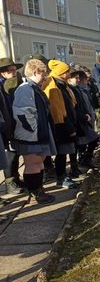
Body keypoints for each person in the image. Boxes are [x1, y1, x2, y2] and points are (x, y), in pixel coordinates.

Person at [12, 59, 56, 203]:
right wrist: (34, 130)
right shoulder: (25, 89)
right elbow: (23, 113)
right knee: (32, 163)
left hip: (39, 134)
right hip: (31, 135)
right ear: (36, 72)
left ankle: (39, 189)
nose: (45, 77)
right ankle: (35, 193)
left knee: (39, 163)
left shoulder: (35, 88)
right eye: (43, 74)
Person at [43, 60, 80, 189]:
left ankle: (63, 175)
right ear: (61, 73)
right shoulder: (53, 86)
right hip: (60, 125)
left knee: (65, 151)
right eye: (67, 71)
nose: (69, 74)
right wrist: (68, 127)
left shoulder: (62, 84)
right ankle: (61, 177)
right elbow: (56, 110)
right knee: (62, 152)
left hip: (67, 123)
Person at [0, 57, 25, 194]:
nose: (14, 73)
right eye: (10, 71)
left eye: (15, 70)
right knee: (9, 154)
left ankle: (16, 178)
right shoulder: (2, 86)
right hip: (5, 124)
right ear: (2, 73)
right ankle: (10, 183)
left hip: (12, 122)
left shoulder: (13, 84)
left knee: (15, 153)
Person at [72, 68, 100, 169]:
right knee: (86, 141)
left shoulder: (84, 90)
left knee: (91, 139)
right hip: (81, 120)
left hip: (87, 118)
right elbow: (79, 106)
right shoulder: (76, 91)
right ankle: (83, 159)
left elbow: (89, 104)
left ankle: (86, 159)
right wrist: (85, 115)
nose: (87, 82)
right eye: (86, 80)